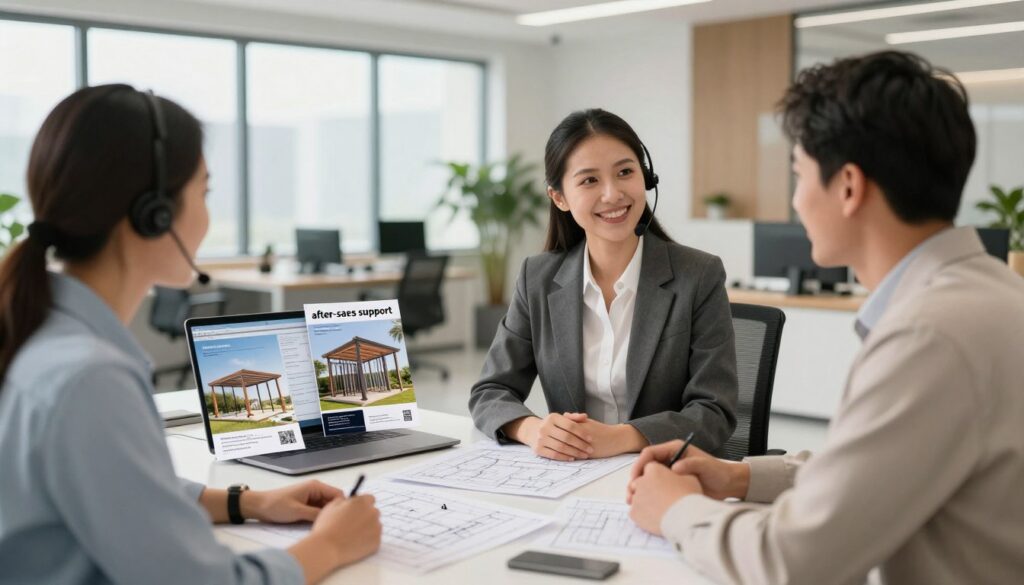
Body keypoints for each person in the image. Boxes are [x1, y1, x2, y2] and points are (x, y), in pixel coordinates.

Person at [628, 51, 1024, 584]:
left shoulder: (930, 336)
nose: (795, 200)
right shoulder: (985, 295)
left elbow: (794, 561)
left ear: (849, 186)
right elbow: (873, 471)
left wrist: (674, 509)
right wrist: (738, 476)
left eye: (799, 175)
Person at [0, 84, 381, 585]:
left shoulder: (39, 334)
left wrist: (245, 501)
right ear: (153, 213)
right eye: (203, 192)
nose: (207, 213)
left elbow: (113, 488)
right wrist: (330, 545)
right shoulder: (88, 379)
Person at [470, 109, 738, 461]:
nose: (612, 194)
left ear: (646, 178)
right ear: (559, 198)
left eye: (625, 172)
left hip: (667, 473)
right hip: (574, 476)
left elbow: (715, 411)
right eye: (589, 181)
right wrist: (533, 429)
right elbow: (490, 390)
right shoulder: (537, 279)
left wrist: (621, 438)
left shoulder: (698, 275)